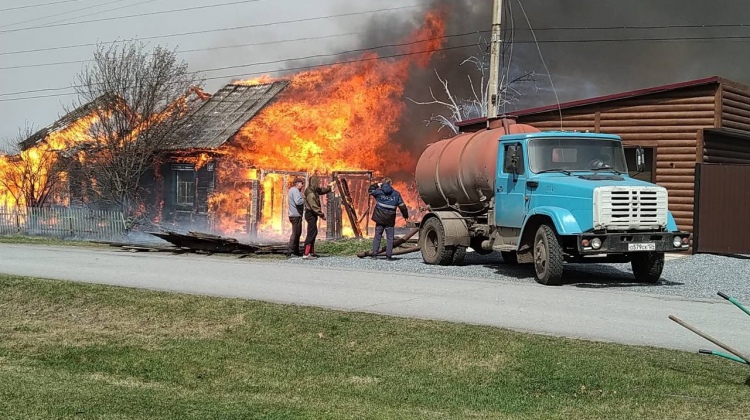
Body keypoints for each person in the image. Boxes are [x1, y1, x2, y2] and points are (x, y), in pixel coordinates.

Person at [369, 177, 408, 260]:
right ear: (391, 184)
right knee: (390, 238)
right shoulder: (396, 194)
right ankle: (388, 256)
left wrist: (376, 185)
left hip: (379, 218)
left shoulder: (379, 192)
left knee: (377, 236)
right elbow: (402, 206)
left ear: (382, 183)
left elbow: (370, 190)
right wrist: (405, 215)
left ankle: (374, 255)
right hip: (389, 220)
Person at [302, 175, 334, 259]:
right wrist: (321, 214)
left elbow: (321, 190)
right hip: (310, 214)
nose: (319, 183)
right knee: (311, 233)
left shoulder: (314, 189)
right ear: (314, 182)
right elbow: (314, 206)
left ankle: (311, 253)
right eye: (318, 182)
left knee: (314, 232)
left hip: (313, 214)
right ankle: (306, 254)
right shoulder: (310, 192)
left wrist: (329, 187)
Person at [286, 177, 305, 257]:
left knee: (297, 233)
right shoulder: (295, 191)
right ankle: (292, 252)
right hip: (295, 215)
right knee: (296, 233)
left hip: (293, 214)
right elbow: (298, 201)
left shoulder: (291, 190)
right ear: (297, 183)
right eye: (301, 183)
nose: (302, 185)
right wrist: (305, 199)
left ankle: (295, 251)